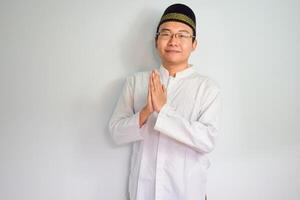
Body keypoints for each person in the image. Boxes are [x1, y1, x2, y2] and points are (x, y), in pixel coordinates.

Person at [109, 3, 221, 200]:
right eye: (166, 33)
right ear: (156, 41)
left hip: (187, 192)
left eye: (183, 35)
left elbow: (206, 140)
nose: (173, 41)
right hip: (143, 191)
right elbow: (116, 133)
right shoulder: (136, 82)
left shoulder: (207, 88)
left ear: (194, 44)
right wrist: (145, 112)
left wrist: (163, 110)